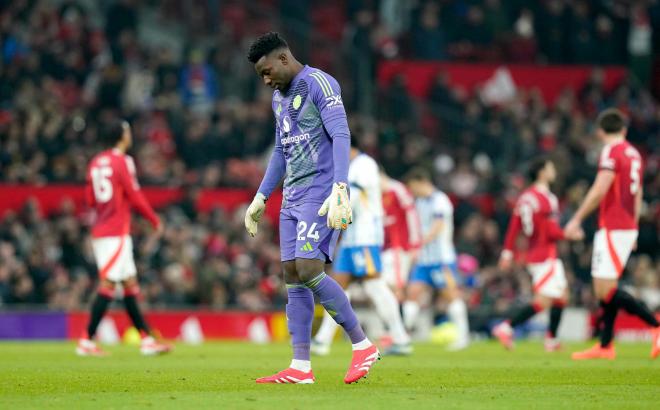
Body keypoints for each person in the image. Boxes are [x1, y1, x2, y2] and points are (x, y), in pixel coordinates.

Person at [244, 32, 378, 384]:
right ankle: (301, 366)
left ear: (284, 58)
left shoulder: (319, 83)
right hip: (292, 196)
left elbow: (341, 134)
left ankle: (362, 345)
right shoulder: (278, 98)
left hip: (320, 193)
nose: (266, 79)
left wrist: (340, 187)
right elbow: (279, 151)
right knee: (291, 273)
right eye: (260, 76)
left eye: (267, 70)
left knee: (307, 267)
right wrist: (261, 196)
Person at [565, 108, 660, 360]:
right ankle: (605, 345)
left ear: (599, 131)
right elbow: (638, 192)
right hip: (626, 225)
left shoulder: (611, 151)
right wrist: (635, 225)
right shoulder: (634, 154)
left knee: (603, 290)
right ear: (624, 130)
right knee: (608, 287)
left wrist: (576, 219)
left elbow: (599, 189)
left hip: (614, 226)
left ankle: (655, 324)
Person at [77, 120, 170, 357]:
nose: (130, 135)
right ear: (122, 136)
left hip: (102, 229)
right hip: (115, 232)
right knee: (108, 284)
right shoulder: (123, 161)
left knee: (129, 283)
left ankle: (146, 339)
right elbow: (135, 194)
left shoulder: (95, 162)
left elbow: (90, 200)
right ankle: (87, 340)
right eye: (128, 131)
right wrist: (154, 220)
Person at [311, 144, 411, 357]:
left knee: (374, 286)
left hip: (365, 236)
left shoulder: (364, 164)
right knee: (338, 287)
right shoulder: (350, 166)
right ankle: (322, 340)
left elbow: (352, 196)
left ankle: (401, 338)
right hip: (352, 237)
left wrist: (326, 216)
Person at [492, 157, 575, 352]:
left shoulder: (526, 197)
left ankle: (552, 340)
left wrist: (507, 253)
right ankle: (506, 327)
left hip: (538, 253)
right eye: (550, 167)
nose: (553, 170)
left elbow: (514, 227)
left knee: (562, 296)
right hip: (543, 254)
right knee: (544, 300)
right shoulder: (547, 199)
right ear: (542, 172)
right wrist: (568, 234)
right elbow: (550, 231)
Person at [403, 168, 469, 350]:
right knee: (413, 294)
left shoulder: (440, 200)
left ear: (421, 181)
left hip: (441, 259)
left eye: (412, 187)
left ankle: (463, 336)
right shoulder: (418, 202)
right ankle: (403, 338)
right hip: (423, 260)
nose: (412, 191)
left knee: (451, 295)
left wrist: (420, 241)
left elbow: (438, 226)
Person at [380, 169, 422, 302]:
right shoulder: (376, 193)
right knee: (384, 287)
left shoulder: (398, 189)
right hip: (384, 248)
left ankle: (398, 320)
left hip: (399, 247)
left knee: (393, 286)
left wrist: (415, 244)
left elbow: (412, 215)